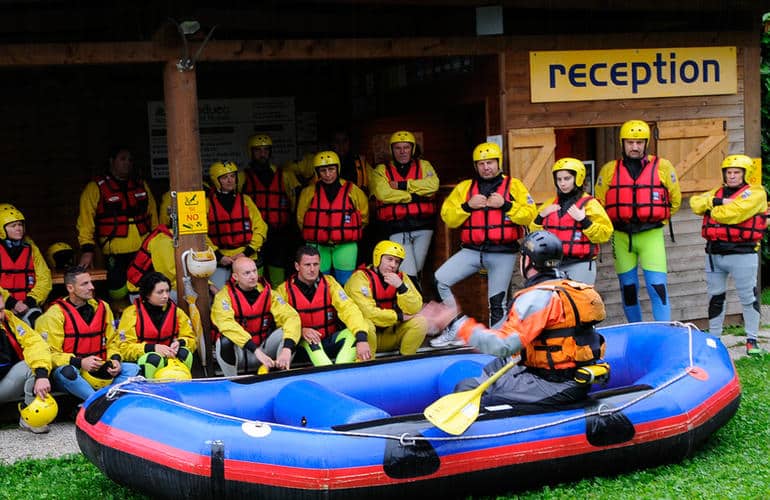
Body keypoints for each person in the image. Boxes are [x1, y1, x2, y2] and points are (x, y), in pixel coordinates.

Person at [426, 231, 607, 408]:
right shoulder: (574, 289)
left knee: (469, 392)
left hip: (552, 384)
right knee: (488, 372)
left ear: (527, 261)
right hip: (575, 378)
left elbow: (502, 345)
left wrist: (457, 322)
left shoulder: (536, 297)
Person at [431, 142, 537, 347]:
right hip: (472, 251)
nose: (486, 167)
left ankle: (496, 343)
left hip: (502, 252)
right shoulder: (465, 188)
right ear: (476, 166)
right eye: (481, 164)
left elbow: (529, 215)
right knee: (439, 280)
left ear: (498, 163)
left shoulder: (514, 186)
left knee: (497, 302)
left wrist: (506, 205)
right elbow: (449, 217)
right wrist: (466, 207)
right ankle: (455, 327)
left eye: (490, 162)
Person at [595, 120, 681, 322]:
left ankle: (663, 332)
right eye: (630, 142)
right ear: (622, 143)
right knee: (628, 288)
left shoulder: (663, 167)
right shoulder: (609, 170)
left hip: (651, 235)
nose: (635, 147)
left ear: (646, 143)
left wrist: (656, 218)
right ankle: (636, 330)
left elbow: (674, 200)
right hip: (621, 236)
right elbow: (599, 203)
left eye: (640, 142)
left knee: (657, 286)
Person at [690, 154, 767, 355]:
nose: (732, 176)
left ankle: (752, 339)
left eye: (736, 172)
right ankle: (715, 339)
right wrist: (719, 200)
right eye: (729, 172)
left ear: (745, 174)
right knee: (715, 297)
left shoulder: (756, 193)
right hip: (715, 254)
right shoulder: (717, 192)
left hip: (743, 254)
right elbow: (695, 203)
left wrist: (713, 208)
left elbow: (734, 214)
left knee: (748, 297)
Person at [35, 266, 140, 401]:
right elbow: (49, 354)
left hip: (99, 369)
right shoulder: (54, 315)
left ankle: (106, 398)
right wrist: (80, 362)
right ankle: (97, 401)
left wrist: (115, 359)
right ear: (70, 288)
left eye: (91, 282)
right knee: (66, 372)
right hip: (74, 371)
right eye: (85, 284)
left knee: (132, 369)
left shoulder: (103, 307)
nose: (91, 287)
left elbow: (112, 341)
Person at [76, 146, 158, 305]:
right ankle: (120, 317)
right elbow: (85, 221)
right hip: (114, 252)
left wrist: (157, 244)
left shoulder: (141, 185)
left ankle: (144, 319)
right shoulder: (96, 187)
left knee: (145, 287)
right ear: (112, 161)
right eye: (122, 159)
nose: (127, 163)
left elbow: (153, 215)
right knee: (117, 291)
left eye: (130, 160)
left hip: (143, 250)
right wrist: (87, 250)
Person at [276, 246, 373, 365]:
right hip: (303, 342)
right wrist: (301, 330)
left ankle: (340, 370)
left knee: (356, 334)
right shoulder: (284, 290)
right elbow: (279, 324)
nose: (312, 269)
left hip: (328, 339)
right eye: (307, 265)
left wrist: (361, 338)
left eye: (315, 264)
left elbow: (349, 309)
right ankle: (332, 373)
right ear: (297, 266)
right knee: (314, 346)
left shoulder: (330, 283)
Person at [370, 130, 439, 288]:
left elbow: (433, 185)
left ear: (412, 149)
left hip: (423, 227)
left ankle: (410, 304)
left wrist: (403, 186)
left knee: (416, 270)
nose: (402, 152)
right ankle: (415, 306)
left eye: (406, 147)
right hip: (396, 228)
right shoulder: (381, 170)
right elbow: (384, 194)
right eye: (398, 148)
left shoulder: (424, 165)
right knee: (409, 271)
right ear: (392, 150)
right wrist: (414, 196)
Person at [211, 256, 301, 376]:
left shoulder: (269, 294)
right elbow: (226, 324)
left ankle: (282, 373)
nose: (253, 276)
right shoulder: (223, 297)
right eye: (247, 273)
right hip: (242, 354)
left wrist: (287, 349)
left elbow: (291, 317)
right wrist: (256, 350)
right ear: (235, 277)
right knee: (224, 341)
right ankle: (233, 381)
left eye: (254, 271)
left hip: (265, 352)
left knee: (291, 332)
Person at [532, 158, 613, 284]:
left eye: (567, 178)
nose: (562, 183)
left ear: (578, 178)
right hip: (553, 266)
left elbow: (605, 233)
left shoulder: (590, 205)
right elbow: (534, 235)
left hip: (580, 264)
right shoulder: (549, 204)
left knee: (579, 303)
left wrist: (584, 220)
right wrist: (541, 216)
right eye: (559, 179)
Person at [296, 151, 369, 284]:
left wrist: (346, 231)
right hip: (317, 245)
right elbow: (301, 218)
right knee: (318, 282)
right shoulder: (308, 192)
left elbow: (363, 217)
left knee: (346, 282)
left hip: (345, 245)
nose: (328, 174)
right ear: (317, 172)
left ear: (338, 169)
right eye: (323, 170)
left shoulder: (353, 190)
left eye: (331, 169)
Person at [344, 240, 428, 355]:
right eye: (389, 259)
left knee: (421, 322)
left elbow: (415, 308)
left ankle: (405, 361)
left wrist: (401, 287)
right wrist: (398, 317)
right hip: (368, 338)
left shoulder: (401, 278)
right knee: (365, 325)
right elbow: (369, 313)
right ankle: (368, 364)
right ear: (378, 258)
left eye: (397, 262)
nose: (393, 265)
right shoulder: (359, 278)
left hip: (391, 334)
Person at [240, 134, 301, 286]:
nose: (262, 154)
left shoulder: (285, 175)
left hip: (278, 232)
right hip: (254, 234)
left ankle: (277, 299)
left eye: (266, 150)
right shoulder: (243, 177)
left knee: (277, 268)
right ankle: (258, 296)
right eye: (258, 150)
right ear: (251, 152)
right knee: (255, 270)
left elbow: (295, 202)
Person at [118, 272, 197, 378]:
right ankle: (149, 390)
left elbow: (191, 339)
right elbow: (124, 348)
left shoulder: (177, 312)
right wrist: (152, 348)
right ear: (147, 294)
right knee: (153, 358)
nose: (165, 296)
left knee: (184, 352)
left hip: (170, 360)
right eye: (160, 292)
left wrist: (180, 342)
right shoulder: (131, 314)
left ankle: (182, 384)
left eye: (167, 291)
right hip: (147, 360)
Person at [205, 161, 268, 291]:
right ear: (216, 181)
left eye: (233, 176)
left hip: (246, 255)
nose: (230, 180)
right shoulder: (207, 204)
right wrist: (218, 256)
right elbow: (201, 235)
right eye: (224, 177)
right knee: (218, 294)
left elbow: (260, 228)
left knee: (252, 294)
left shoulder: (246, 201)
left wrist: (246, 252)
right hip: (219, 260)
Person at [0, 293, 55, 433]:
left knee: (31, 366)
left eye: (1, 309)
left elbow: (35, 343)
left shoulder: (8, 319)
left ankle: (30, 418)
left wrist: (42, 374)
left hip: (4, 384)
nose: (1, 315)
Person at [0, 204, 52, 326]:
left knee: (37, 322)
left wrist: (30, 301)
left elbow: (44, 278)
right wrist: (11, 303)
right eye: (13, 226)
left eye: (20, 225)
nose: (19, 228)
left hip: (29, 306)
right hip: (4, 306)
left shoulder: (31, 249)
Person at [125, 223, 176, 302]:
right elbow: (168, 276)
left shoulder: (169, 237)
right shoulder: (163, 241)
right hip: (142, 294)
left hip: (157, 287)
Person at [330, 128, 372, 193]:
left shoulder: (361, 162)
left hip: (357, 200)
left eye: (345, 141)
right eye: (337, 141)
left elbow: (374, 182)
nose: (341, 145)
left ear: (349, 142)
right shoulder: (324, 164)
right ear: (332, 144)